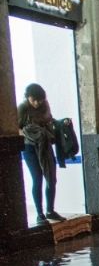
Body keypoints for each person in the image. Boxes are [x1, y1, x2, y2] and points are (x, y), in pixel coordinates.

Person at [18, 83, 63, 224]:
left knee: (51, 178)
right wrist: (32, 134)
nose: (37, 103)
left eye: (40, 100)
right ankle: (39, 213)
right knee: (37, 178)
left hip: (45, 145)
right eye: (34, 100)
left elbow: (49, 121)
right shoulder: (22, 108)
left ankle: (50, 210)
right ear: (28, 97)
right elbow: (17, 128)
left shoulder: (45, 106)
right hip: (30, 147)